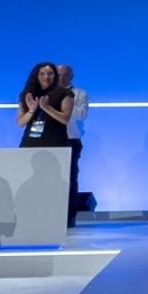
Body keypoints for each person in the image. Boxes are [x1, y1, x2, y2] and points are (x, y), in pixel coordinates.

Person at [16, 62, 74, 152]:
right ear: (36, 76)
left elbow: (65, 119)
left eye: (50, 74)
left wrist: (46, 107)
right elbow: (20, 123)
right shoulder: (28, 94)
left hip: (55, 144)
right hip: (29, 143)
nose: (46, 77)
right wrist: (31, 111)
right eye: (42, 74)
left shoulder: (65, 93)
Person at [57, 65, 89, 227]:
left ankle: (69, 216)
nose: (61, 78)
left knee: (69, 179)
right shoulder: (47, 94)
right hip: (51, 141)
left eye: (65, 75)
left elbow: (82, 114)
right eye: (58, 75)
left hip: (71, 140)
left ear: (71, 76)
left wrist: (65, 102)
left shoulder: (80, 94)